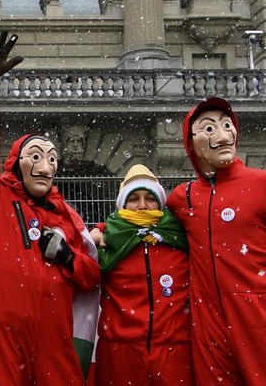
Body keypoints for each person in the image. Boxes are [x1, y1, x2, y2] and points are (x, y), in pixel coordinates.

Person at [0, 31, 101, 385]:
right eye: (36, 156)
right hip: (0, 331)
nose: (45, 165)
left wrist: (68, 257)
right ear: (16, 163)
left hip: (54, 333)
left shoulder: (67, 216)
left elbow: (91, 277)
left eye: (52, 159)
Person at [166, 97, 266, 385]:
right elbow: (142, 215)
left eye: (227, 125)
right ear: (191, 143)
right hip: (209, 329)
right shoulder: (183, 198)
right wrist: (101, 228)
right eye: (209, 128)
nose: (223, 134)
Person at [93, 164, 192, 386]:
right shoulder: (109, 242)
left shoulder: (181, 239)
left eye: (150, 198)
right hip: (120, 353)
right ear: (123, 204)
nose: (142, 206)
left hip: (175, 351)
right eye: (134, 198)